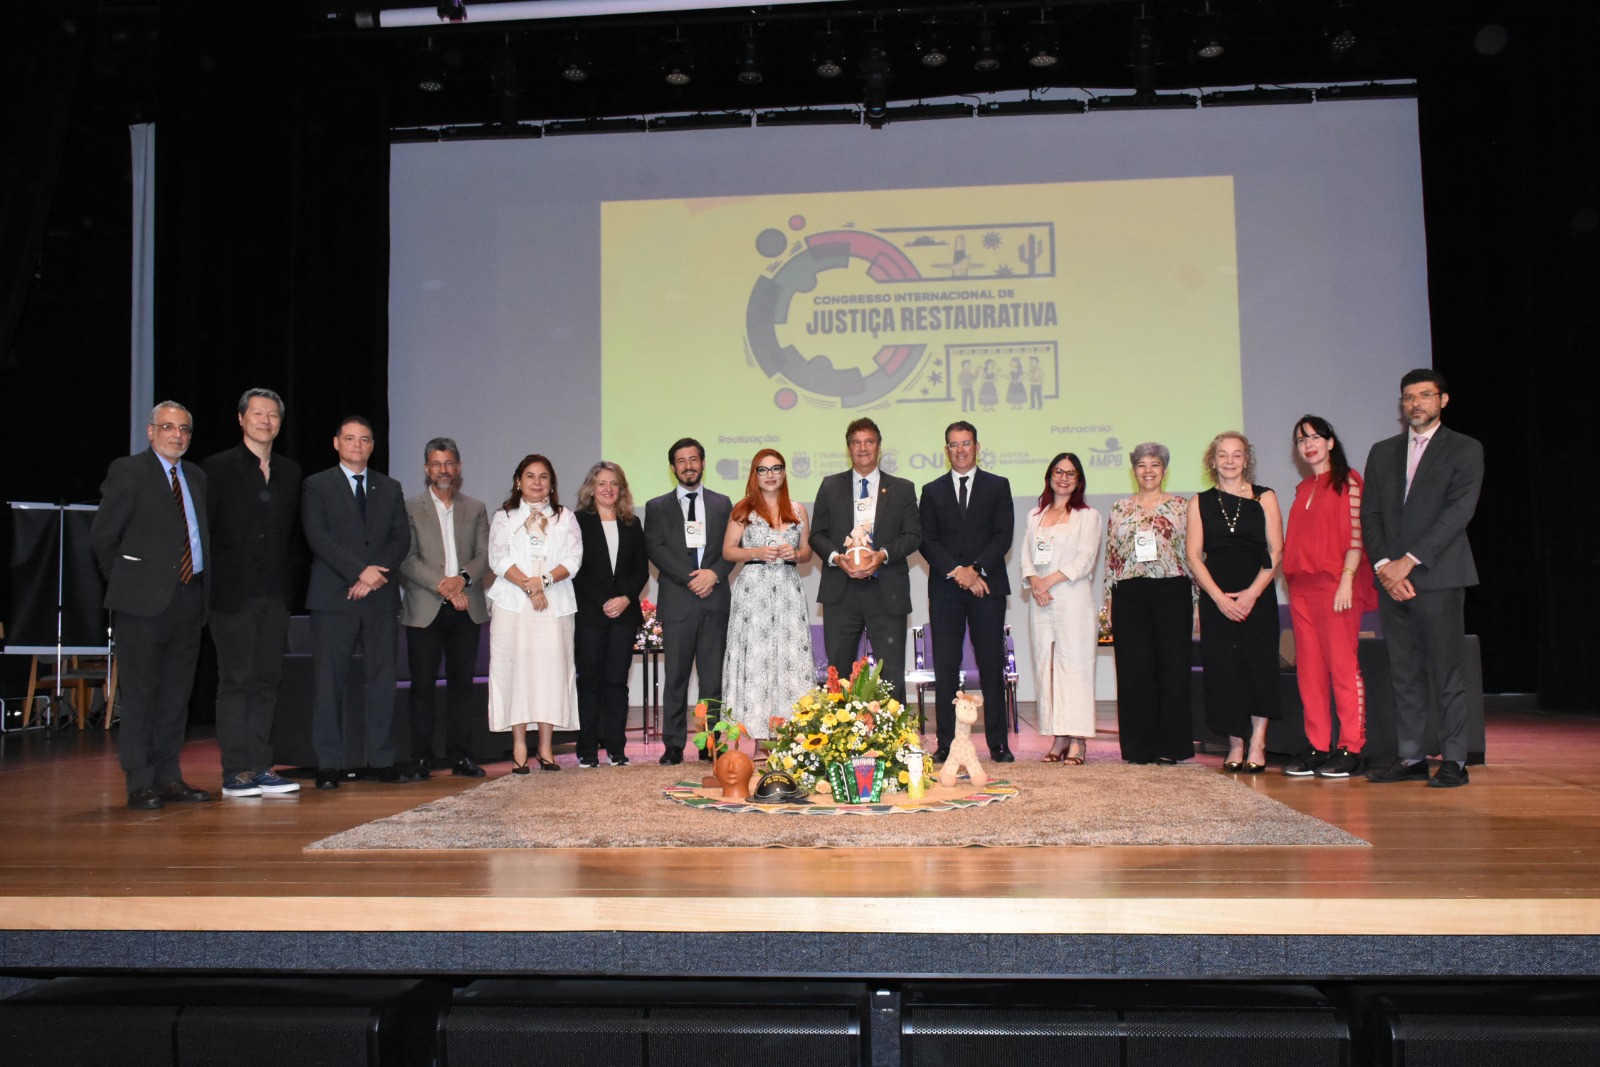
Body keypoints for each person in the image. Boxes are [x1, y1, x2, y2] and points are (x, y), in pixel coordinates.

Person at [1361, 369, 1484, 788]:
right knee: (1404, 673)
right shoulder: (1382, 451)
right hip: (1391, 581)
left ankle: (1455, 760)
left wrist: (1408, 562)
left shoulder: (1465, 448)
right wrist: (1385, 567)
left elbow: (1458, 513)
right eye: (1409, 397)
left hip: (1438, 576)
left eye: (1425, 395)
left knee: (1447, 673)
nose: (1416, 403)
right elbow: (1370, 514)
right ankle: (1411, 755)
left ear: (1443, 400)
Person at [91, 402, 213, 810]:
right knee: (141, 694)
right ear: (150, 431)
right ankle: (140, 781)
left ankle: (168, 776)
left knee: (176, 695)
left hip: (189, 597)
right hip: (140, 604)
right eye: (168, 427)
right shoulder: (129, 471)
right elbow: (103, 536)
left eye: (184, 429)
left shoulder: (196, 476)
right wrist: (127, 582)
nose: (177, 435)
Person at [201, 388, 302, 799]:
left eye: (272, 414)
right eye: (257, 413)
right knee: (236, 680)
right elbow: (206, 534)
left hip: (275, 594)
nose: (265, 420)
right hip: (231, 595)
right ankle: (236, 771)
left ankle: (261, 766)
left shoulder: (290, 472)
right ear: (241, 419)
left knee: (267, 679)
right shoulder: (216, 468)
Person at [301, 415, 411, 790]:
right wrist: (359, 572)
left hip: (379, 599)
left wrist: (372, 576)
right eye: (350, 438)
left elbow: (401, 540)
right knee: (328, 684)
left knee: (382, 683)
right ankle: (328, 765)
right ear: (336, 443)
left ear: (372, 445)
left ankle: (382, 760)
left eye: (364, 439)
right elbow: (318, 537)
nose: (357, 445)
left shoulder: (390, 487)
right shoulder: (317, 485)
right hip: (334, 597)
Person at [1282, 415, 1376, 779]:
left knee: (1342, 666)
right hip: (1302, 590)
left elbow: (1356, 536)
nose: (1308, 444)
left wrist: (1347, 580)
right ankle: (1319, 745)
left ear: (1330, 442)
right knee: (1310, 672)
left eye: (1314, 437)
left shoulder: (1349, 481)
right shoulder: (1303, 488)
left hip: (1337, 586)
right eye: (1301, 439)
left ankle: (1351, 746)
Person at [1186, 431, 1284, 773]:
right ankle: (1236, 744)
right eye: (1223, 455)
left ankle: (1258, 742)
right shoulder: (1199, 502)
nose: (1229, 460)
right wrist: (1218, 599)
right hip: (1217, 597)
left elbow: (1276, 551)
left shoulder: (1265, 497)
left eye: (1237, 454)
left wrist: (1252, 594)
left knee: (1259, 665)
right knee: (1223, 671)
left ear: (1246, 460)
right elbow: (1194, 556)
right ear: (1212, 462)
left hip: (1258, 593)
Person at [918, 421, 1015, 763]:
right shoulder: (931, 490)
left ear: (977, 446)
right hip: (946, 590)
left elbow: (1003, 535)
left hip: (987, 587)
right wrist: (959, 573)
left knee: (991, 664)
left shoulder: (998, 485)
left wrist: (975, 569)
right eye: (954, 445)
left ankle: (998, 743)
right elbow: (926, 539)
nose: (960, 450)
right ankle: (946, 743)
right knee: (946, 666)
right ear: (946, 450)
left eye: (966, 443)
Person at [809, 417, 922, 707]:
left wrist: (882, 555)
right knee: (839, 673)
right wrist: (837, 558)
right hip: (841, 591)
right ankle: (839, 731)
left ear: (879, 446)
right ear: (848, 448)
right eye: (856, 443)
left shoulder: (902, 488)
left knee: (891, 672)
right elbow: (817, 535)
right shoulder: (830, 486)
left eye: (869, 442)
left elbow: (913, 536)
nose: (863, 448)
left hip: (886, 591)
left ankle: (895, 731)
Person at [398, 437, 491, 781]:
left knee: (461, 686)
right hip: (425, 608)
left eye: (449, 463)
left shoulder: (475, 507)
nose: (443, 470)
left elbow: (485, 555)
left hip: (467, 608)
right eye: (436, 464)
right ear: (426, 469)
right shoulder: (409, 507)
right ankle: (421, 758)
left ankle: (460, 756)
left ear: (459, 467)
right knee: (422, 687)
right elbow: (406, 558)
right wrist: (445, 587)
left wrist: (460, 580)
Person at [486, 454, 581, 772]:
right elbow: (498, 559)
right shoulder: (505, 516)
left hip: (554, 608)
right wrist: (530, 587)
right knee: (516, 673)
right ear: (518, 481)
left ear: (551, 483)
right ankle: (518, 746)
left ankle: (545, 747)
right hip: (513, 607)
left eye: (543, 477)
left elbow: (574, 559)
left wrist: (544, 582)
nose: (537, 482)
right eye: (530, 476)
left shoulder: (564, 517)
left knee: (550, 675)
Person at [643, 438, 734, 765]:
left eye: (693, 459)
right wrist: (693, 578)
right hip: (678, 602)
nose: (688, 466)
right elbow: (655, 550)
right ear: (672, 468)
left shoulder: (723, 504)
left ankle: (711, 743)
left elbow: (731, 548)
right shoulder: (656, 507)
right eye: (681, 461)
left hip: (714, 601)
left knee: (712, 680)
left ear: (703, 463)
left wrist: (714, 574)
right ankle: (673, 744)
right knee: (676, 678)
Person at [1103, 442, 1193, 765]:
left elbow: (1193, 556)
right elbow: (1111, 558)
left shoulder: (1182, 507)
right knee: (1133, 670)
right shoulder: (1119, 509)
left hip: (1173, 591)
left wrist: (1196, 602)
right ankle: (1138, 748)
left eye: (1155, 464)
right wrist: (1109, 602)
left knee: (1173, 669)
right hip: (1129, 594)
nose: (1148, 471)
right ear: (1134, 471)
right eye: (1142, 465)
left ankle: (1171, 746)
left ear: (1164, 470)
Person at [720, 448, 814, 743]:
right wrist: (756, 552)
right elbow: (728, 551)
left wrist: (795, 553)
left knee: (790, 656)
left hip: (788, 590)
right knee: (755, 659)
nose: (770, 475)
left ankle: (793, 734)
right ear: (755, 475)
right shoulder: (742, 509)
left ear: (784, 473)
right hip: (754, 591)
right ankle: (750, 733)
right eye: (763, 469)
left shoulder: (798, 510)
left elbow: (808, 552)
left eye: (776, 468)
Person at [1019, 452, 1102, 765]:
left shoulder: (1088, 516)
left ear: (1078, 480)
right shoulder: (1035, 515)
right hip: (1040, 601)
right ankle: (1058, 736)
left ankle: (1078, 738)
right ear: (1049, 476)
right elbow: (1026, 557)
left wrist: (1048, 582)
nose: (1063, 478)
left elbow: (1084, 559)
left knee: (1075, 668)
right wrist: (1035, 583)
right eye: (1058, 472)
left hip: (1072, 598)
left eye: (1070, 473)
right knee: (1047, 667)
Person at [572, 461, 648, 768]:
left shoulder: (632, 522)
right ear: (591, 488)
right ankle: (587, 750)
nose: (608, 489)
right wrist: (604, 600)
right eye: (601, 483)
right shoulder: (577, 521)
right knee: (590, 681)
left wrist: (626, 598)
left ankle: (617, 749)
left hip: (624, 616)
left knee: (617, 683)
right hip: (590, 615)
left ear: (622, 489)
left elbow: (641, 569)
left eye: (614, 483)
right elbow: (575, 568)